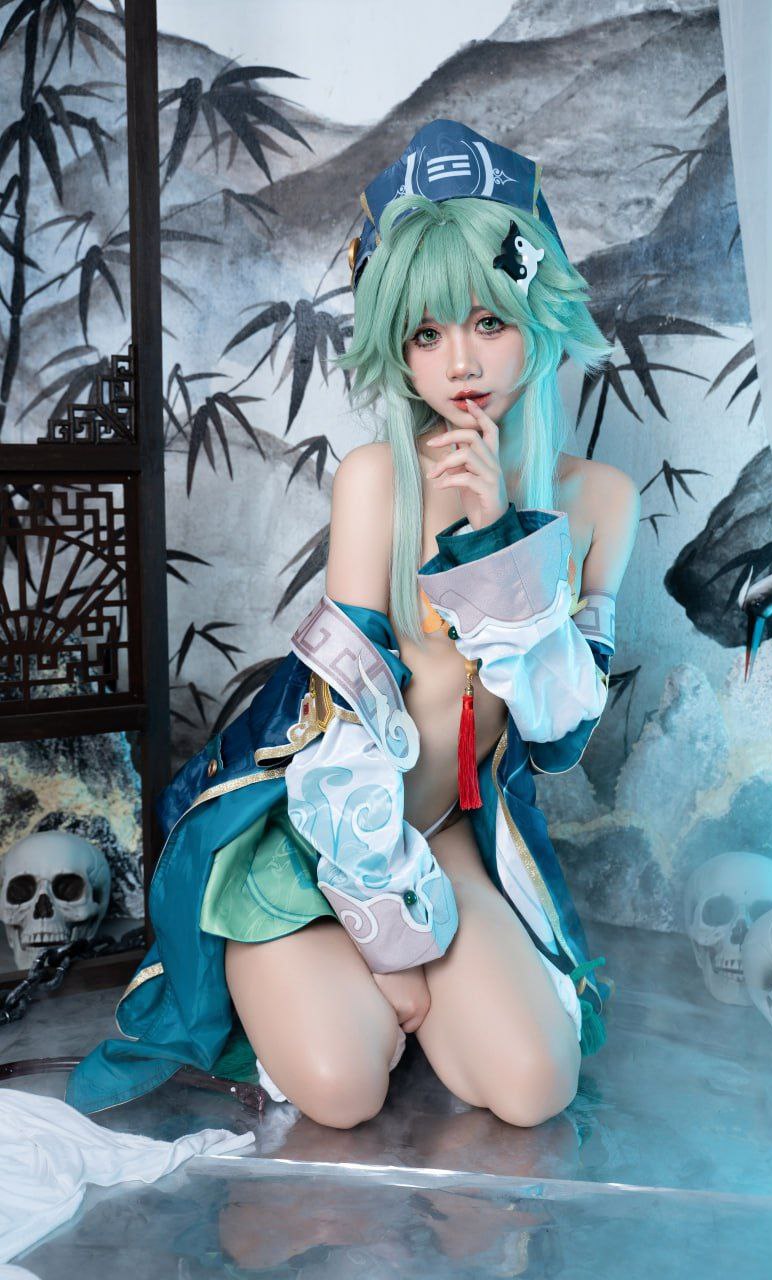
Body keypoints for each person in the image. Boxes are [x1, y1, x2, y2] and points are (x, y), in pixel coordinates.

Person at [64, 120, 639, 1130]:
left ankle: (392, 998)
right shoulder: (377, 479)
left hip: (448, 835)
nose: (459, 361)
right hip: (319, 836)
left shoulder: (599, 501)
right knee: (341, 1090)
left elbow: (557, 738)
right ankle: (310, 982)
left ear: (535, 314)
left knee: (534, 1087)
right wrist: (389, 944)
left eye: (487, 321)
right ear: (397, 352)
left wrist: (496, 541)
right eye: (424, 334)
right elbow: (341, 727)